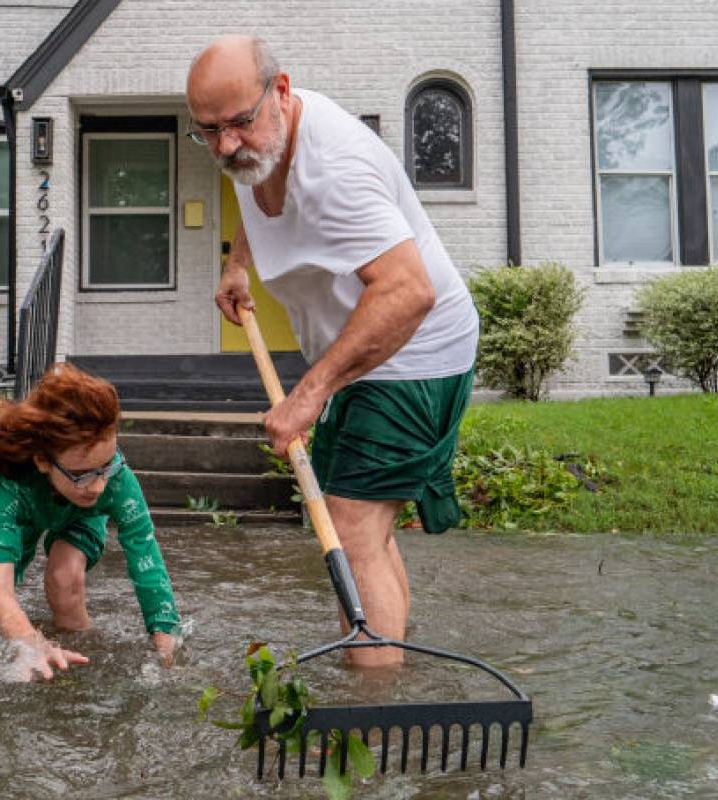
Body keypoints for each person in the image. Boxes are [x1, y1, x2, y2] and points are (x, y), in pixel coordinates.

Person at [186, 35, 480, 669]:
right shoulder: (254, 146)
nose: (226, 145)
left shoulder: (336, 168)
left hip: (414, 352)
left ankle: (370, 718)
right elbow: (252, 190)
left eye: (238, 123)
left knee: (348, 528)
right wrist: (240, 264)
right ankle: (389, 678)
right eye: (207, 131)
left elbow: (408, 292)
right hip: (360, 353)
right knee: (367, 532)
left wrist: (309, 394)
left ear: (282, 92)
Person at [0, 364, 180, 681]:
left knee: (64, 578)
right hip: (25, 510)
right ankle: (10, 661)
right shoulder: (6, 483)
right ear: (43, 460)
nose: (98, 486)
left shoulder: (115, 482)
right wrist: (30, 643)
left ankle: (76, 666)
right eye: (83, 474)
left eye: (106, 466)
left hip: (80, 518)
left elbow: (146, 560)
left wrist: (164, 637)